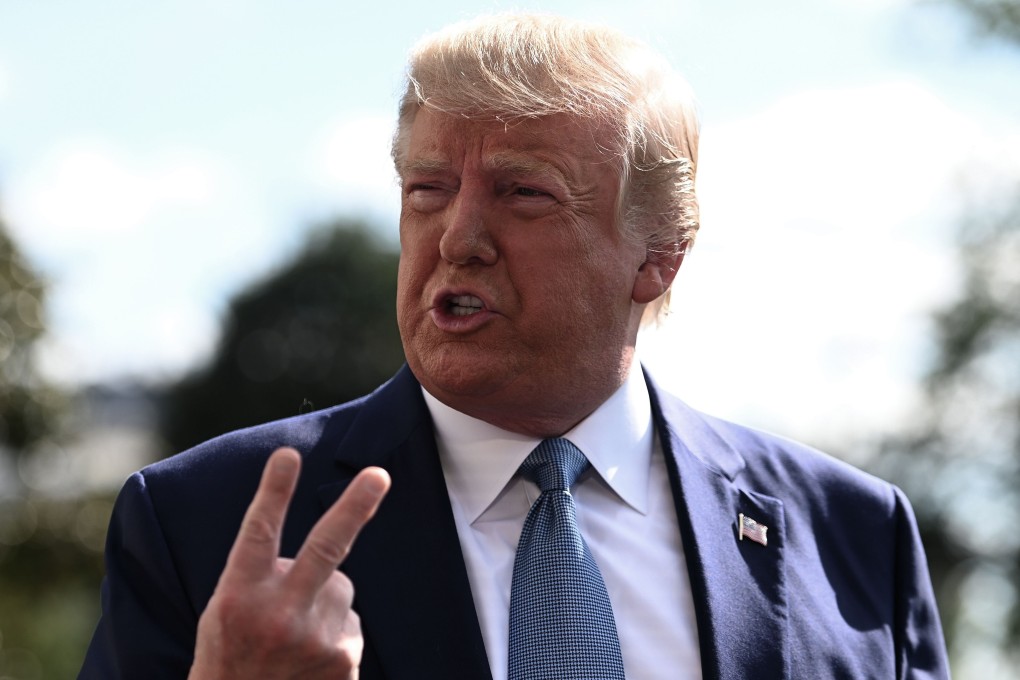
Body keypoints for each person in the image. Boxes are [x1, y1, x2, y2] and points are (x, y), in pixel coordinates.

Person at [79, 13, 950, 680]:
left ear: (657, 257)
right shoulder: (200, 522)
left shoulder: (854, 534)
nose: (457, 238)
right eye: (427, 188)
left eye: (523, 193)